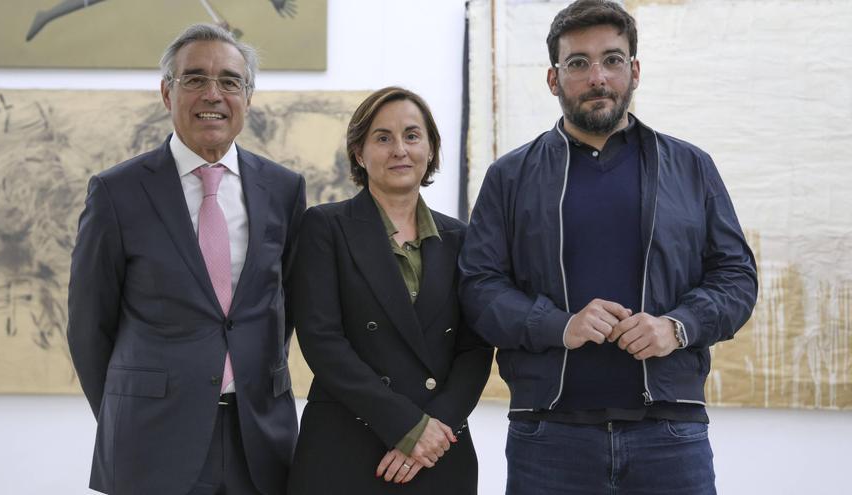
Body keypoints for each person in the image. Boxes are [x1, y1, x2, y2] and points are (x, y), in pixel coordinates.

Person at [458, 1, 758, 493]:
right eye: (578, 63)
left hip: (670, 434)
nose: (597, 76)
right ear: (554, 79)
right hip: (548, 437)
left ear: (634, 70)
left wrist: (677, 327)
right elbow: (479, 287)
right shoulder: (508, 177)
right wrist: (561, 326)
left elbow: (736, 277)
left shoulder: (691, 167)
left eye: (612, 59)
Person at [68, 23, 305, 495]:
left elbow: (289, 306)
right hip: (151, 439)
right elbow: (88, 326)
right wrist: (128, 407)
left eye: (230, 82)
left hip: (258, 437)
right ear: (166, 92)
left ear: (248, 97)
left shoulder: (283, 189)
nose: (213, 94)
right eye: (194, 79)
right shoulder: (117, 192)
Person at [287, 86, 492, 494]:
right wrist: (407, 427)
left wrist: (434, 431)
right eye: (383, 138)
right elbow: (322, 341)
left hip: (440, 451)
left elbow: (475, 348)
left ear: (431, 149)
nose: (400, 149)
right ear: (360, 154)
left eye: (412, 136)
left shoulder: (461, 238)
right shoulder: (325, 227)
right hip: (346, 447)